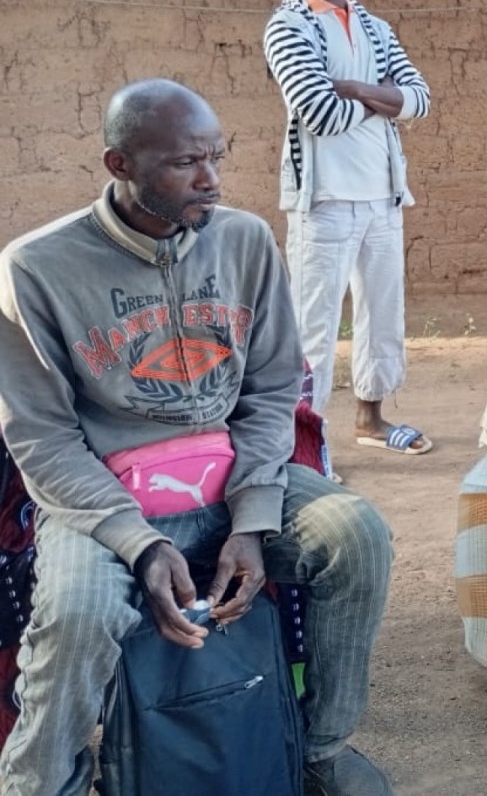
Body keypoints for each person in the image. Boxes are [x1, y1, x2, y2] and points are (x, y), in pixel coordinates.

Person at [0, 80, 393, 796]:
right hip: (104, 498)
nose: (211, 178)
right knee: (80, 612)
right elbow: (43, 438)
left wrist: (253, 516)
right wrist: (139, 541)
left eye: (216, 156)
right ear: (120, 164)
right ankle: (43, 783)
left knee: (356, 534)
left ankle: (321, 747)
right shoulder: (35, 268)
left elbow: (275, 387)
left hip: (231, 474)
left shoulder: (244, 239)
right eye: (186, 163)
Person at [263, 0, 434, 457]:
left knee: (383, 316)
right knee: (312, 329)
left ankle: (371, 420)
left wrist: (351, 87)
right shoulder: (287, 26)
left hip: (382, 197)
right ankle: (304, 444)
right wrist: (381, 98)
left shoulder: (375, 28)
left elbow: (420, 100)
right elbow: (318, 113)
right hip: (324, 200)